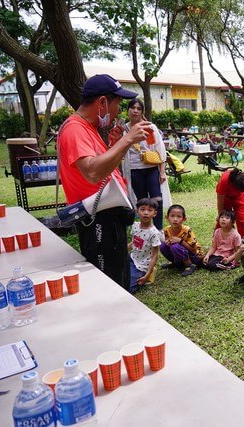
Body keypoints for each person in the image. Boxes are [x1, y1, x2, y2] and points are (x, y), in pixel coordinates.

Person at [57, 74, 147, 290]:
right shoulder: (75, 129)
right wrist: (127, 140)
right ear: (103, 102)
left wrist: (118, 145)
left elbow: (103, 167)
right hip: (97, 219)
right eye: (118, 104)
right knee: (110, 283)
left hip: (108, 216)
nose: (119, 111)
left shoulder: (89, 128)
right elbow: (92, 172)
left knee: (120, 278)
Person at [121, 98, 170, 230]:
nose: (135, 111)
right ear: (128, 110)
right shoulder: (124, 130)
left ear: (142, 111)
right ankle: (146, 230)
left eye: (138, 109)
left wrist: (162, 171)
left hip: (151, 169)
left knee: (157, 200)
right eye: (132, 108)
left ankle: (159, 230)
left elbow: (159, 149)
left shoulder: (149, 127)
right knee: (142, 203)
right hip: (134, 170)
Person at [127, 198, 161, 294]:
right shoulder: (135, 225)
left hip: (141, 266)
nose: (146, 213)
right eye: (142, 209)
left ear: (154, 213)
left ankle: (150, 273)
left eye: (150, 210)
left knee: (126, 288)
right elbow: (133, 243)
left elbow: (155, 255)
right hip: (131, 258)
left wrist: (147, 274)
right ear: (137, 212)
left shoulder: (153, 233)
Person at [160, 204, 203, 277]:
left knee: (175, 246)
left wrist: (180, 241)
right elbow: (168, 245)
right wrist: (168, 243)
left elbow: (194, 250)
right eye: (172, 216)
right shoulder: (167, 230)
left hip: (195, 256)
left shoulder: (187, 230)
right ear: (167, 217)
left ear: (184, 219)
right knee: (163, 246)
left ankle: (190, 265)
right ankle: (176, 263)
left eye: (179, 216)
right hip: (181, 252)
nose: (175, 219)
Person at [215, 168, 244, 236]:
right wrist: (220, 215)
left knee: (242, 220)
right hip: (225, 198)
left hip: (239, 197)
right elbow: (220, 199)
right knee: (225, 219)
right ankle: (217, 238)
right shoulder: (224, 180)